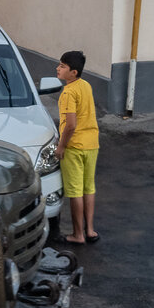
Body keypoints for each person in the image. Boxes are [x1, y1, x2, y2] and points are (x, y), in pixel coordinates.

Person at [55, 50, 100, 244]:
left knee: (74, 191)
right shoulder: (86, 86)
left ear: (73, 72)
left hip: (74, 147)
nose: (58, 68)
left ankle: (77, 234)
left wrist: (61, 147)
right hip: (92, 144)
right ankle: (89, 230)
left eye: (63, 66)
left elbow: (71, 124)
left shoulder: (68, 92)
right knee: (88, 188)